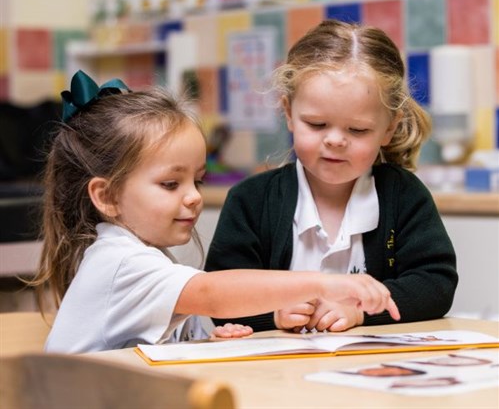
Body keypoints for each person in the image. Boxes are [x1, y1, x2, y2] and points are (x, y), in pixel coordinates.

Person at [30, 70, 399, 354]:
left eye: (198, 181)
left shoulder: (148, 258)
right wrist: (325, 282)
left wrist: (209, 342)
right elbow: (210, 291)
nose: (193, 197)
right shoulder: (119, 263)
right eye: (171, 185)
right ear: (107, 196)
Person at [205, 19, 458, 333]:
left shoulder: (403, 195)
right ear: (288, 113)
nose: (335, 140)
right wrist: (272, 315)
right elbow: (220, 295)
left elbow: (435, 284)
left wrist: (360, 312)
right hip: (278, 375)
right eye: (317, 124)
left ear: (389, 128)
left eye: (357, 130)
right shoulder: (251, 201)